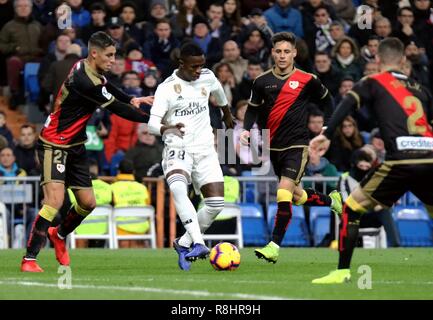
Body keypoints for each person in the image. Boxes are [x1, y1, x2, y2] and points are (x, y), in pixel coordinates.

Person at [21, 31, 153, 273]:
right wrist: (157, 122)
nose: (113, 60)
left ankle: (59, 235)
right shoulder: (84, 80)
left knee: (88, 203)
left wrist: (131, 98)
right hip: (55, 143)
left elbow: (107, 87)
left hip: (76, 146)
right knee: (54, 201)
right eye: (109, 55)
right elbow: (117, 109)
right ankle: (29, 259)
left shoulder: (87, 67)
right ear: (94, 53)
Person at [310, 37, 433, 284]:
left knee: (352, 208)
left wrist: (326, 134)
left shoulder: (373, 81)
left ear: (377, 60)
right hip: (430, 158)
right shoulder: (421, 89)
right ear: (402, 60)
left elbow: (346, 104)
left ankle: (342, 272)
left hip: (400, 161)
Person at [240, 32, 342, 263]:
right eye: (278, 51)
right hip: (273, 148)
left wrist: (327, 129)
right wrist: (247, 129)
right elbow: (253, 109)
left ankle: (274, 246)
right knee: (295, 195)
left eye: (287, 51)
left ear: (294, 53)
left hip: (297, 145)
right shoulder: (262, 81)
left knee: (283, 192)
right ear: (273, 53)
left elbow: (329, 101)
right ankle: (331, 201)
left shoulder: (308, 79)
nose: (283, 55)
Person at [148, 42, 234, 271]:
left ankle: (183, 243)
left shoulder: (207, 76)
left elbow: (219, 92)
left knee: (216, 204)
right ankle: (198, 242)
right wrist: (168, 128)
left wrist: (226, 114)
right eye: (194, 67)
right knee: (178, 188)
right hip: (178, 148)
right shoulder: (166, 88)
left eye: (201, 65)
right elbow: (151, 125)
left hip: (206, 149)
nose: (198, 71)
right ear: (181, 64)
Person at [111, 159, 151, 248]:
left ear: (118, 171)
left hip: (120, 230)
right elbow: (148, 207)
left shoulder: (112, 188)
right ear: (133, 172)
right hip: (141, 229)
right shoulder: (143, 188)